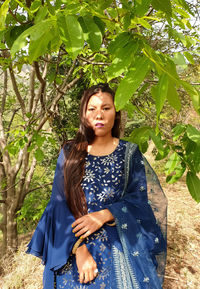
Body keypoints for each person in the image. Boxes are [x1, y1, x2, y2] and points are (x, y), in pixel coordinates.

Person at [27, 83, 167, 289]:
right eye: (92, 109)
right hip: (73, 247)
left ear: (116, 113)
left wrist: (106, 214)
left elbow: (140, 203)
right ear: (84, 114)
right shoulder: (69, 153)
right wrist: (79, 249)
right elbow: (58, 204)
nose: (98, 115)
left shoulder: (129, 153)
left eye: (106, 108)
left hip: (120, 247)